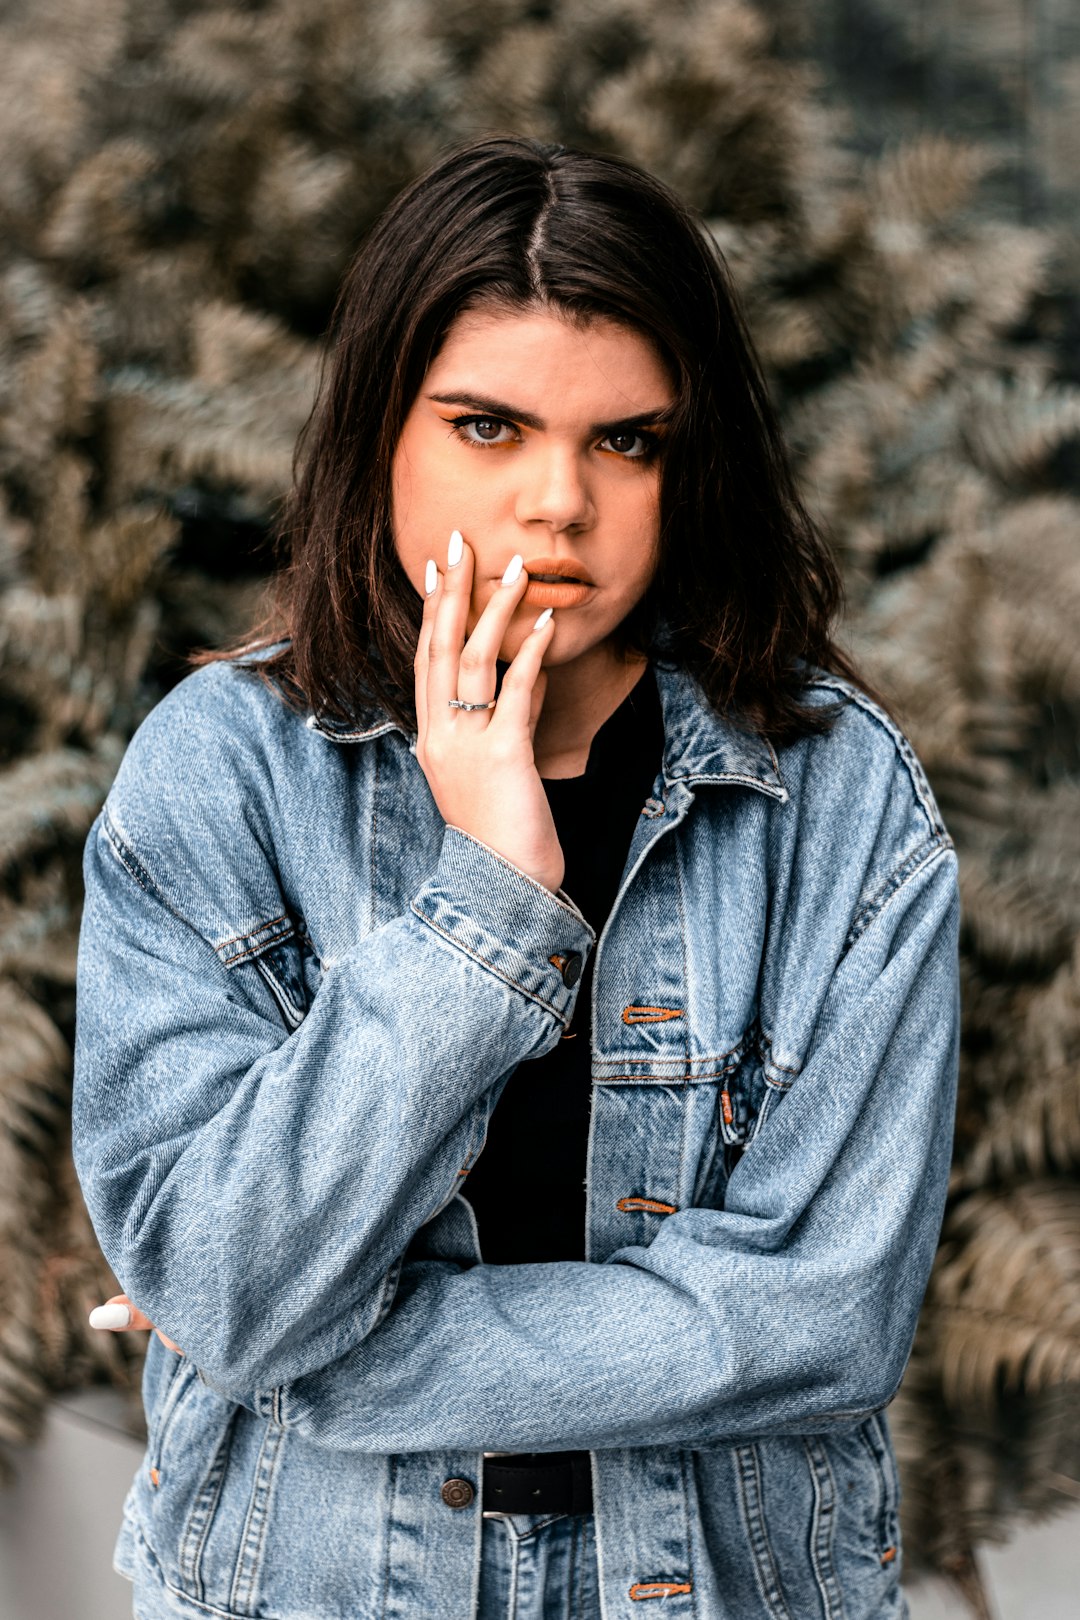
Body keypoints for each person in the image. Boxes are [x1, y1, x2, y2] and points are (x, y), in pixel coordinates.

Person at [73, 135, 960, 1620]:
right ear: (381, 436)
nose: (561, 502)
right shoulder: (219, 771)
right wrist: (486, 892)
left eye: (629, 441)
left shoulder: (840, 798)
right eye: (489, 427)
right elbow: (223, 1278)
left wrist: (324, 1358)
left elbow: (826, 1313)